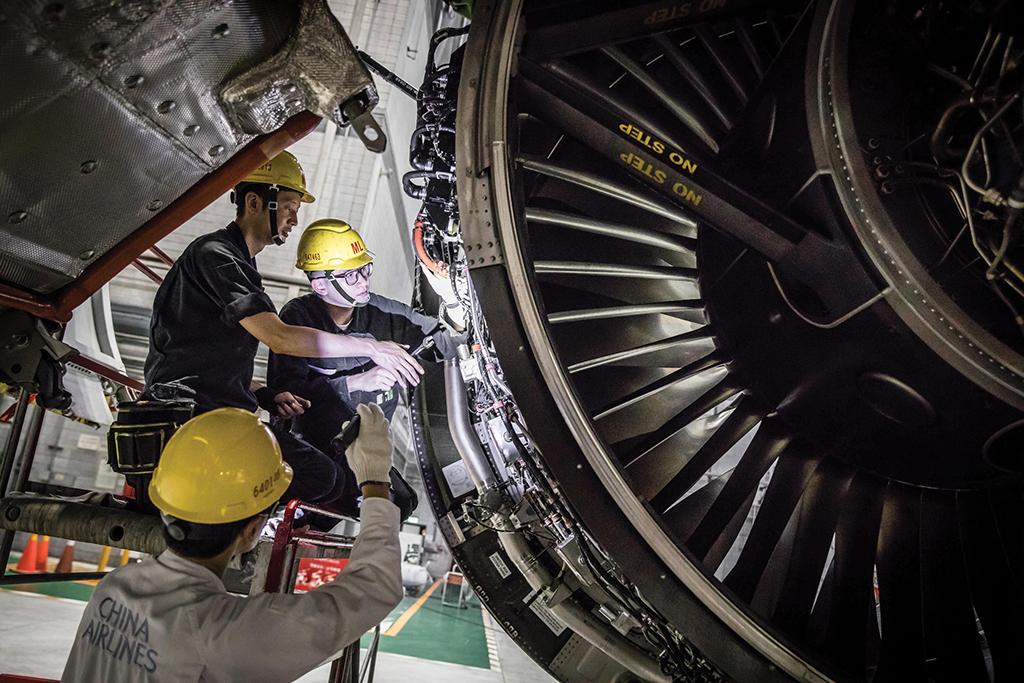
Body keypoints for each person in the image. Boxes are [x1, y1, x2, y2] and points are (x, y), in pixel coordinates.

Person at [142, 151, 423, 506]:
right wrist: (371, 348)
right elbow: (279, 337)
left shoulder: (240, 265)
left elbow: (206, 360)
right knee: (323, 477)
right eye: (289, 205)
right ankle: (241, 512)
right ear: (256, 202)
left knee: (331, 479)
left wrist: (263, 393)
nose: (295, 217)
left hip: (215, 409)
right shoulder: (216, 255)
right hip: (193, 414)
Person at [62, 404, 402, 682]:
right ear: (252, 530)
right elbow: (374, 588)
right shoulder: (220, 634)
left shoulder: (113, 587)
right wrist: (374, 477)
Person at [267, 218, 464, 454]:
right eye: (350, 275)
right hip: (310, 452)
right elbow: (285, 398)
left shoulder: (382, 311)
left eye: (364, 269)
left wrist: (452, 301)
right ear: (320, 286)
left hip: (371, 451)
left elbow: (446, 342)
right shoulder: (298, 317)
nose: (363, 281)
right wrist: (357, 383)